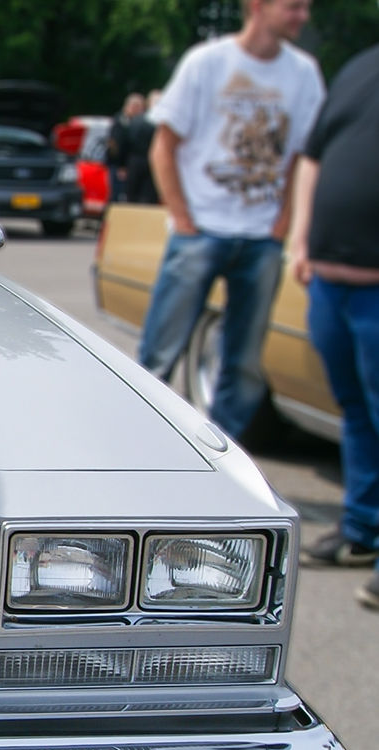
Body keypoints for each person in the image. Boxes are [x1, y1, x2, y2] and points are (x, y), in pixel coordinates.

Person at [135, 0, 324, 444]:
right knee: (160, 350)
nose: (303, 17)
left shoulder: (304, 73)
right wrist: (182, 218)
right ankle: (144, 445)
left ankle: (225, 456)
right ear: (257, 6)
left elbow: (302, 155)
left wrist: (282, 223)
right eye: (294, 7)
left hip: (261, 238)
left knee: (242, 363)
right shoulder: (207, 63)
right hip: (201, 230)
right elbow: (164, 146)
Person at [287, 42, 379, 609]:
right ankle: (362, 531)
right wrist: (300, 237)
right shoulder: (359, 65)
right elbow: (314, 156)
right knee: (356, 411)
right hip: (329, 279)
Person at [105, 92, 145, 202]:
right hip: (118, 166)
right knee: (116, 197)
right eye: (136, 107)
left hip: (131, 166)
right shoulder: (120, 122)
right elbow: (115, 146)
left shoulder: (137, 124)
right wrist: (120, 166)